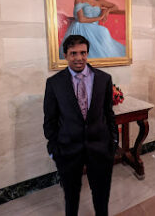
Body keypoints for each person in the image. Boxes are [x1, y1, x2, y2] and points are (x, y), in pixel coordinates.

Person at [44, 34, 118, 216]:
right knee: (71, 196)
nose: (79, 58)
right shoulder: (54, 83)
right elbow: (50, 120)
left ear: (87, 53)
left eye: (83, 53)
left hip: (100, 148)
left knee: (101, 195)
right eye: (73, 53)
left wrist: (113, 142)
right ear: (66, 55)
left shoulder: (104, 79)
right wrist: (54, 148)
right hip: (68, 149)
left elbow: (108, 113)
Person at [59, 0, 126, 59]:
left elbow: (115, 6)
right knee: (103, 31)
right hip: (81, 26)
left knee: (103, 31)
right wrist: (100, 17)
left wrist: (107, 11)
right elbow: (81, 19)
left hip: (95, 27)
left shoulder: (99, 1)